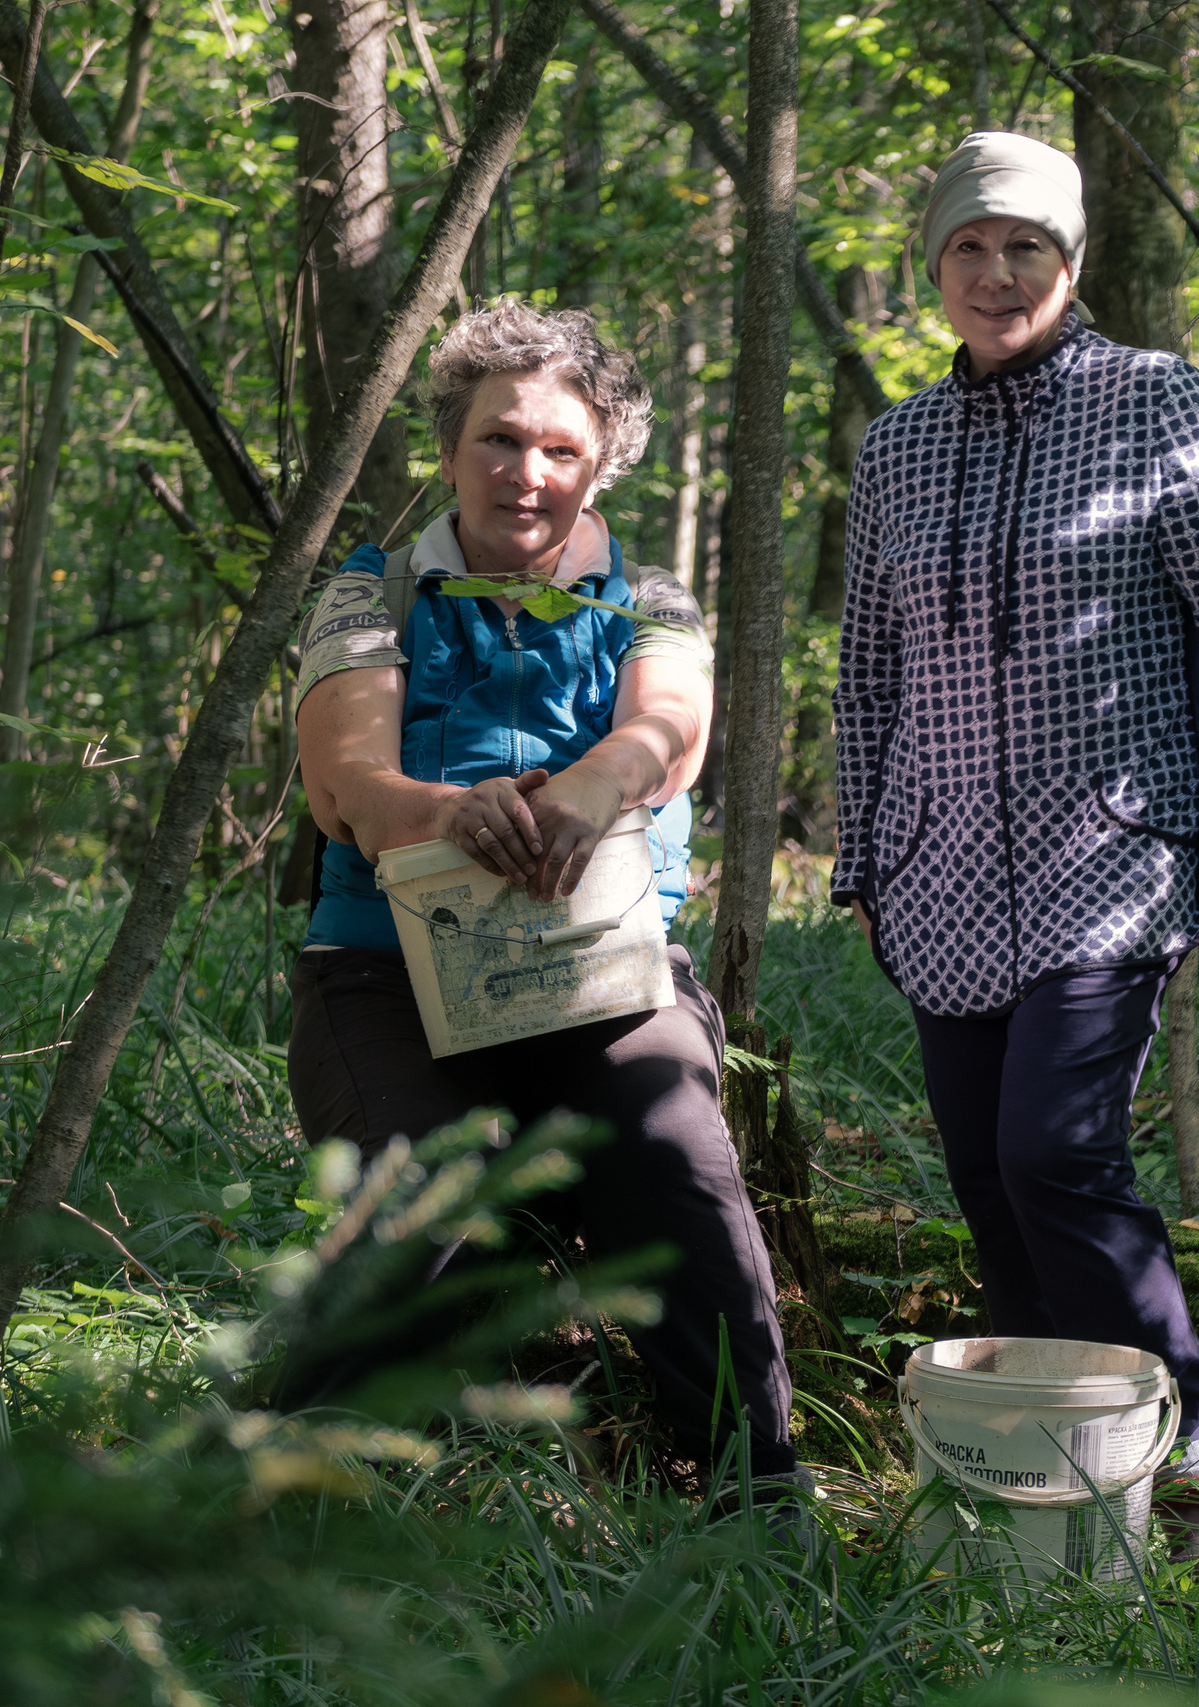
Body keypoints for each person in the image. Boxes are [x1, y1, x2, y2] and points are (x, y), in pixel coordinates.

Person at [829, 134, 1199, 1563]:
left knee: (1055, 1152)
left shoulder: (1159, 401)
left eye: (1024, 245)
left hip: (1115, 856)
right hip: (942, 865)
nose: (995, 272)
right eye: (968, 247)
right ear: (935, 267)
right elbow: (866, 672)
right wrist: (867, 854)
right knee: (983, 1171)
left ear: (1072, 260)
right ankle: (1063, 1467)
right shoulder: (897, 441)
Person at [281, 300, 800, 1495]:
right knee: (415, 1202)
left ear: (601, 461)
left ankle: (757, 1492)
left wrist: (589, 788)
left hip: (602, 977)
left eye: (560, 450)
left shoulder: (648, 599)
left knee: (676, 1172)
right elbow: (344, 782)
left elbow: (668, 733)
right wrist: (443, 811)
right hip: (387, 979)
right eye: (499, 441)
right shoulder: (371, 595)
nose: (526, 474)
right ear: (451, 449)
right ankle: (291, 1488)